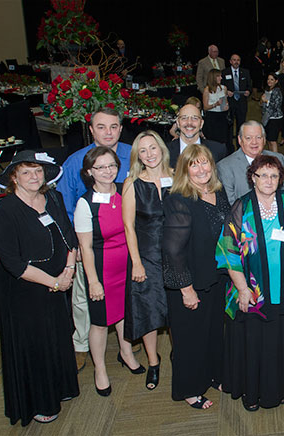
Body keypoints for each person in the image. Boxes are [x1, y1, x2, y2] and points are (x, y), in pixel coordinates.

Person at [216, 155, 284, 411]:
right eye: (263, 175)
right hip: (253, 292)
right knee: (255, 341)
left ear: (280, 178)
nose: (268, 180)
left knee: (281, 338)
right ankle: (252, 392)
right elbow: (228, 252)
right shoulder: (241, 207)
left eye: (274, 175)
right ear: (253, 178)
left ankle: (282, 387)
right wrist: (243, 289)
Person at [0, 151, 78, 425]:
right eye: (26, 172)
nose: (34, 176)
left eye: (38, 171)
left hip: (58, 282)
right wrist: (54, 282)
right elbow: (12, 263)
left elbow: (71, 239)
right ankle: (40, 400)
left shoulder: (54, 198)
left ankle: (61, 387)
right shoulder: (6, 209)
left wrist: (68, 271)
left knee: (57, 336)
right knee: (35, 344)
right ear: (14, 177)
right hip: (23, 290)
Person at [57, 107, 132, 372]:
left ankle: (126, 343)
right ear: (91, 129)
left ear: (120, 128)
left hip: (124, 245)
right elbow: (63, 207)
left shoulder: (132, 155)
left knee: (124, 295)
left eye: (113, 127)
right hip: (90, 243)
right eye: (101, 127)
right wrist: (73, 247)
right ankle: (80, 345)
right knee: (84, 299)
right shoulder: (75, 162)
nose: (108, 132)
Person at [162, 144, 230, 409]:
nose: (201, 169)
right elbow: (172, 250)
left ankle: (214, 374)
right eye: (194, 164)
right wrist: (186, 288)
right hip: (189, 281)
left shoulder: (218, 191)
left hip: (215, 276)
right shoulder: (178, 199)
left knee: (214, 332)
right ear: (184, 169)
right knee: (189, 338)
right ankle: (189, 388)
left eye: (205, 163)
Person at [75, 146, 144, 398]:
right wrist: (93, 281)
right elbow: (86, 247)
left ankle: (126, 353)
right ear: (89, 172)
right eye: (100, 167)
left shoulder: (125, 190)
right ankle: (100, 368)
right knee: (101, 322)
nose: (107, 171)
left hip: (127, 265)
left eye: (111, 166)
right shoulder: (85, 203)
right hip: (102, 270)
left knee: (125, 314)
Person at [122, 131, 172, 391]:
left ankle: (181, 355)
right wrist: (137, 262)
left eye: (153, 148)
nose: (149, 154)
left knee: (177, 310)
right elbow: (129, 227)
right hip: (148, 257)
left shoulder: (177, 176)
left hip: (177, 256)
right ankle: (153, 361)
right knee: (149, 311)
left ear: (161, 149)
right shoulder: (132, 183)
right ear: (137, 156)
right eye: (143, 150)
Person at [217, 120, 284, 205]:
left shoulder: (279, 158)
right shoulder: (225, 167)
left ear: (264, 139)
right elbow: (230, 203)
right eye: (248, 138)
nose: (254, 142)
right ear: (240, 140)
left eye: (258, 137)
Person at [221, 54, 252, 148]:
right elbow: (221, 87)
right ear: (230, 61)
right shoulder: (224, 72)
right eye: (234, 60)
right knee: (229, 126)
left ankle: (240, 147)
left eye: (238, 60)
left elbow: (249, 86)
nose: (236, 62)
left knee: (241, 126)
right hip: (229, 103)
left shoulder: (245, 72)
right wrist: (226, 92)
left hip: (241, 103)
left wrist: (248, 92)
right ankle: (229, 147)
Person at [202, 69, 230, 145]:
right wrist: (215, 104)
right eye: (218, 76)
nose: (221, 78)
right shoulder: (207, 90)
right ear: (213, 77)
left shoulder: (224, 88)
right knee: (213, 139)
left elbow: (226, 102)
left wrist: (226, 106)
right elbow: (205, 107)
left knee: (223, 139)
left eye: (221, 76)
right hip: (212, 118)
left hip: (222, 116)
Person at [261, 73, 284, 153]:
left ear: (276, 81)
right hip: (267, 118)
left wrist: (266, 101)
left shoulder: (277, 91)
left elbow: (276, 105)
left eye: (272, 79)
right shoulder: (268, 90)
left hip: (275, 119)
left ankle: (275, 159)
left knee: (273, 140)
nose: (269, 81)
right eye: (268, 79)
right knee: (269, 140)